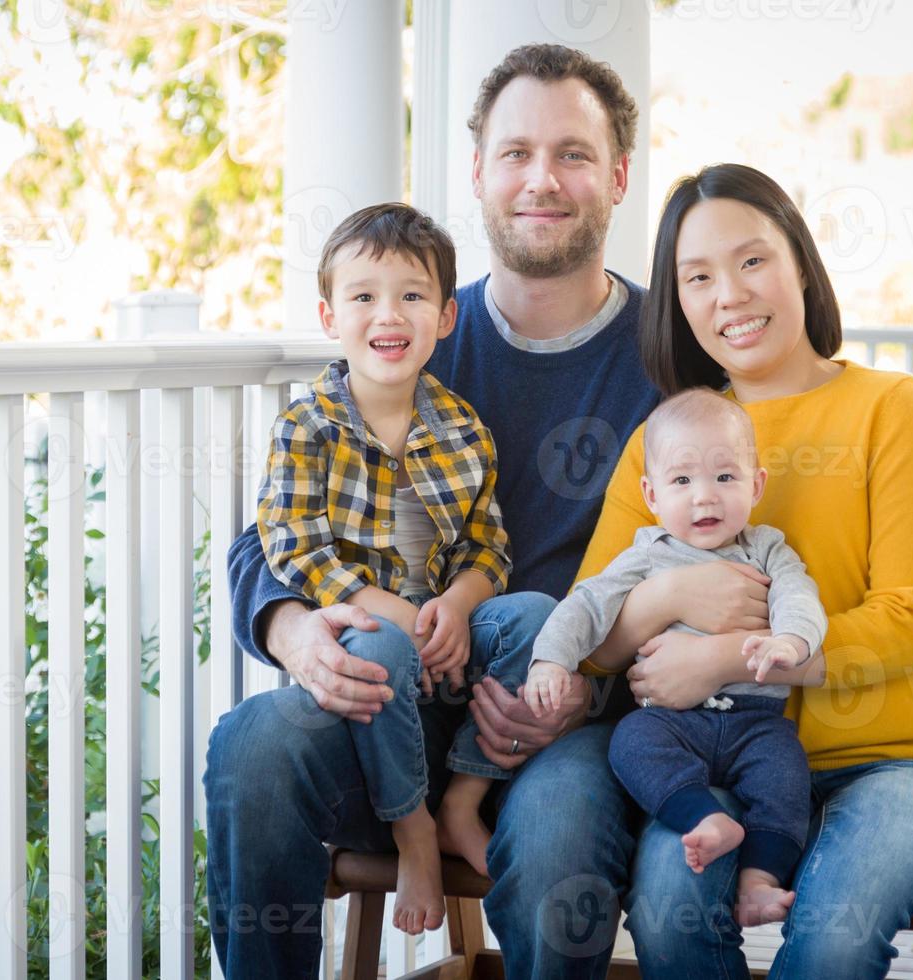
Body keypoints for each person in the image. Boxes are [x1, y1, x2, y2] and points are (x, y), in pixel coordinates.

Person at [207, 44, 658, 978]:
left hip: (560, 717)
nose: (542, 179)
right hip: (388, 692)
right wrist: (296, 635)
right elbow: (271, 536)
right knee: (255, 745)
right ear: (479, 174)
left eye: (573, 153)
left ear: (617, 176)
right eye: (516, 152)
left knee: (563, 833)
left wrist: (585, 689)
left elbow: (705, 563)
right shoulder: (404, 329)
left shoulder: (666, 363)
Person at [577, 162, 913, 979]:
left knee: (833, 938)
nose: (729, 295)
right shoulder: (666, 443)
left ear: (800, 264)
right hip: (725, 761)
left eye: (752, 261)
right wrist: (665, 594)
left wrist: (727, 657)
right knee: (667, 907)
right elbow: (595, 640)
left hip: (906, 761)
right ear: (678, 302)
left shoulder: (890, 408)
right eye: (697, 277)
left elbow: (909, 624)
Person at [256, 201, 553, 933]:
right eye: (364, 296)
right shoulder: (308, 427)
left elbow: (490, 546)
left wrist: (456, 606)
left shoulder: (462, 427)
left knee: (534, 616)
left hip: (447, 639)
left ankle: (460, 804)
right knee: (382, 646)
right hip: (370, 640)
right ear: (330, 315)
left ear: (447, 317)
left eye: (412, 296)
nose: (388, 314)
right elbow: (292, 542)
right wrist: (397, 616)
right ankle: (413, 824)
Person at [525, 387, 827, 929]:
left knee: (785, 776)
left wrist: (792, 642)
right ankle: (704, 817)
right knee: (632, 743)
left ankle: (760, 882)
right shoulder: (647, 553)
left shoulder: (767, 548)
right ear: (652, 494)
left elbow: (797, 595)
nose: (704, 498)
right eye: (682, 481)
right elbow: (587, 606)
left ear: (756, 485)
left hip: (756, 723)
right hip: (670, 720)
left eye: (725, 477)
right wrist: (550, 660)